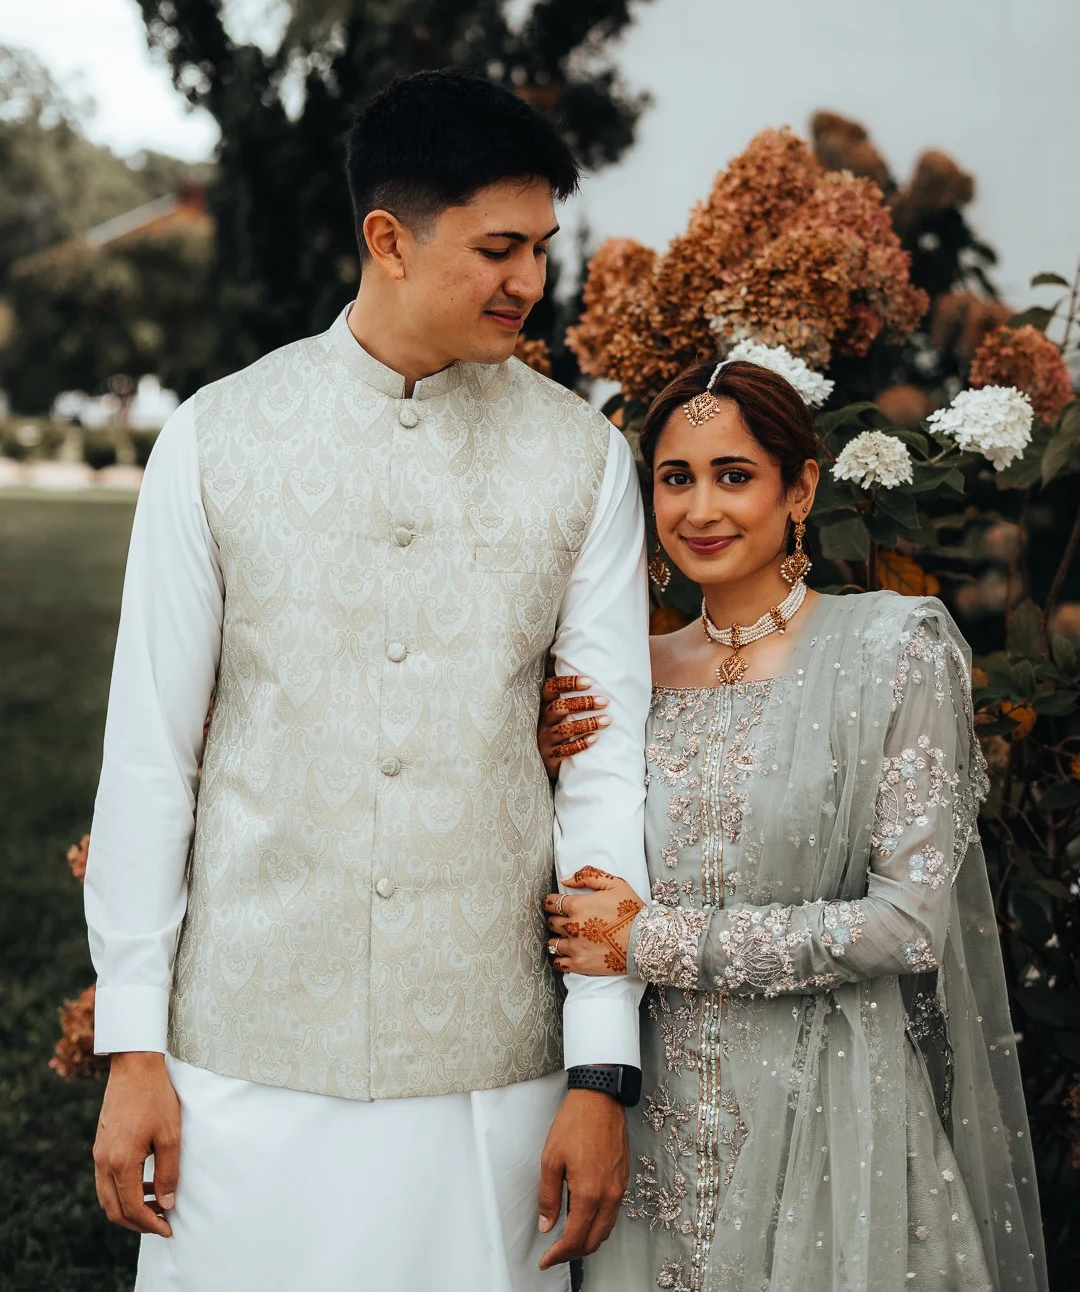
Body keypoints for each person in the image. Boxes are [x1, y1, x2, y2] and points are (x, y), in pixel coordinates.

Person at [84, 68, 652, 1292]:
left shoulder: (587, 464)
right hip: (242, 1059)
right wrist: (134, 1046)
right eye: (499, 247)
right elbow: (151, 754)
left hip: (488, 1078)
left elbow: (606, 777)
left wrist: (602, 1072)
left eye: (542, 248)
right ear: (387, 241)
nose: (529, 283)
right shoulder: (216, 437)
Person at [539, 356, 1046, 1290]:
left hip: (831, 1110)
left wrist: (655, 941)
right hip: (655, 1133)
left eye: (736, 476)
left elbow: (905, 923)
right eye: (675, 478)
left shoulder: (891, 652)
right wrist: (530, 763)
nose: (702, 510)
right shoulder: (619, 678)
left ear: (800, 487)